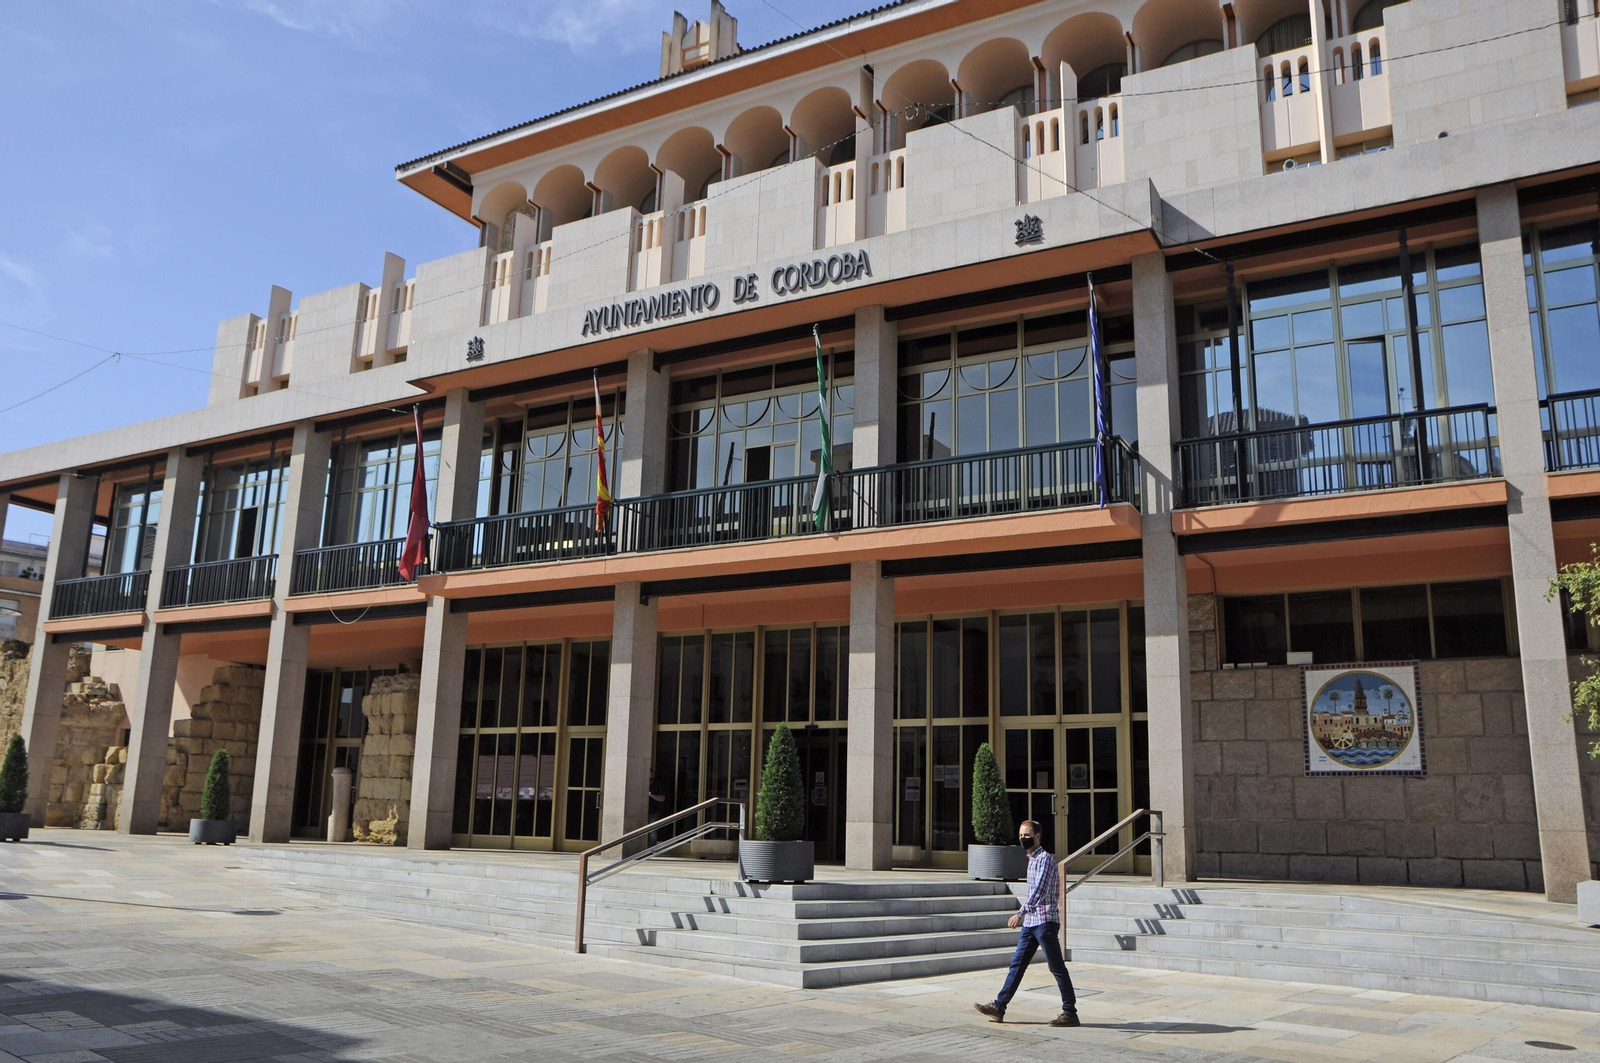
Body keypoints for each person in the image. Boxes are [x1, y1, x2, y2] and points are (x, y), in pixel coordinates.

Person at [974, 819, 1078, 1027]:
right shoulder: (1031, 859)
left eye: (1027, 835)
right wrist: (1025, 917)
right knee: (1017, 965)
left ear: (1038, 837)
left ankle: (1070, 1012)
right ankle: (999, 1006)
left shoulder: (1046, 860)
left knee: (1056, 967)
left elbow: (1039, 891)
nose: (1023, 838)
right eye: (1021, 835)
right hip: (1032, 922)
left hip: (1045, 921)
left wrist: (1019, 913)